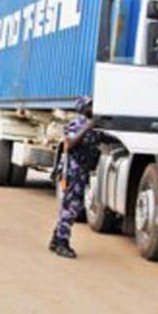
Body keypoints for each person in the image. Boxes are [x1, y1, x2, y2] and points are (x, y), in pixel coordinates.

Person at [49, 96, 100, 259]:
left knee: (71, 207)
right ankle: (62, 244)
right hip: (73, 173)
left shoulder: (92, 127)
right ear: (83, 108)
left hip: (82, 173)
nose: (93, 107)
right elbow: (70, 143)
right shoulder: (77, 123)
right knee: (71, 208)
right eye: (90, 105)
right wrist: (88, 127)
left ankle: (56, 239)